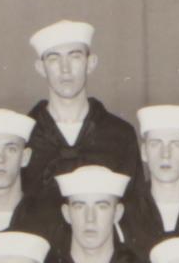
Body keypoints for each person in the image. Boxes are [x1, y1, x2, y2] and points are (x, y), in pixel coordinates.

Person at [26, 19, 135, 177]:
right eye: (54, 58)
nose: (65, 69)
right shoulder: (23, 136)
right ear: (41, 68)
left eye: (75, 56)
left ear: (90, 63)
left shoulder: (121, 134)